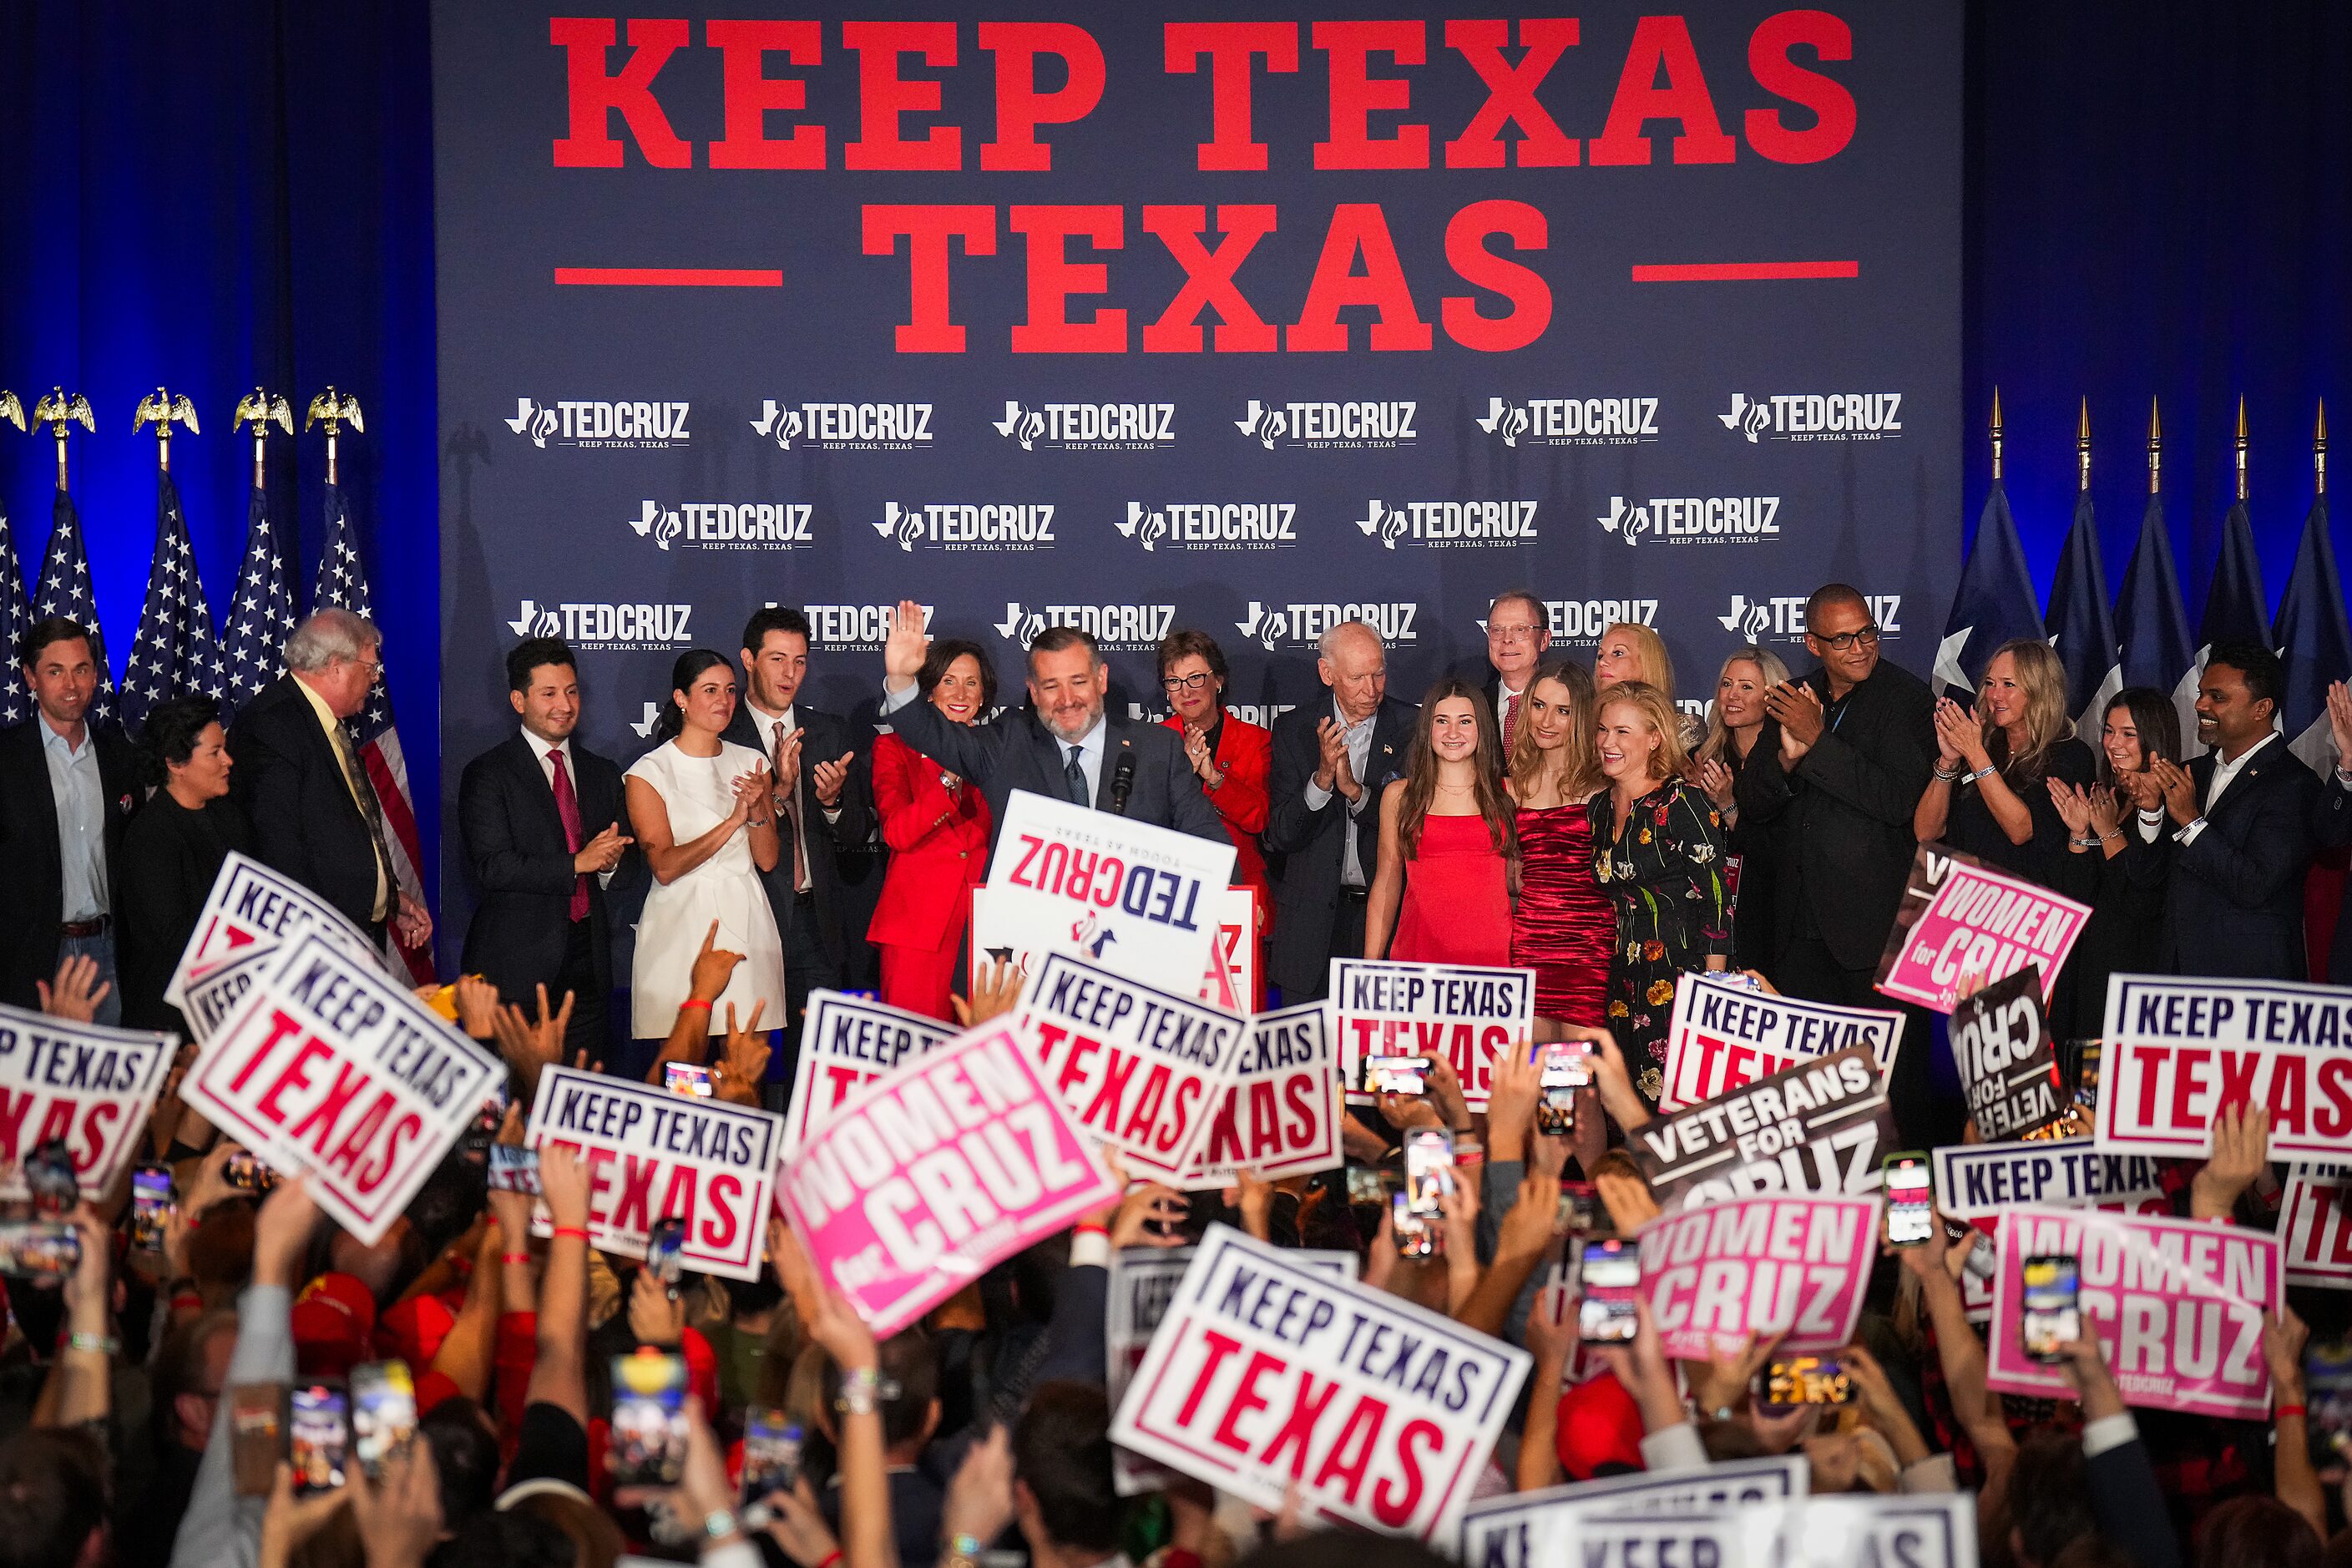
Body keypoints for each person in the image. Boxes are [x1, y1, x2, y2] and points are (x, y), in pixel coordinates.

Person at [1732, 584, 1937, 1134]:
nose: (1860, 647)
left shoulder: (1906, 700)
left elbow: (1896, 802)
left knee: (1887, 1097)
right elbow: (1751, 801)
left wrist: (1816, 742)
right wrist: (1786, 756)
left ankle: (1906, 1220)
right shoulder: (1792, 696)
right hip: (1798, 932)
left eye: (1866, 632)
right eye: (1842, 638)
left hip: (1874, 937)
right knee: (1811, 1100)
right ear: (1812, 644)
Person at [877, 600, 1223, 844]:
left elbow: (1205, 834)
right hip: (1028, 941)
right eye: (1051, 686)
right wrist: (901, 679)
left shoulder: (1158, 748)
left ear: (1101, 679)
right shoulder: (1007, 741)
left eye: (1078, 681)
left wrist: (1231, 903)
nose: (1067, 699)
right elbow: (929, 733)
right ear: (1033, 691)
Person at [724, 608, 877, 1093]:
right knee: (746, 1073)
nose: (790, 674)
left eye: (801, 661)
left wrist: (832, 804)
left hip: (815, 922)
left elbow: (856, 835)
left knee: (817, 1073)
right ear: (748, 659)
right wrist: (778, 787)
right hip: (743, 922)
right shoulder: (719, 734)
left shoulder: (829, 732)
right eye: (777, 659)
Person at [458, 638, 634, 1060]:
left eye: (572, 691)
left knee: (579, 1101)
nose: (565, 704)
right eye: (549, 693)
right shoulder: (487, 774)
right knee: (516, 1102)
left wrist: (608, 865)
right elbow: (493, 867)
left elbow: (626, 861)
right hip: (516, 969)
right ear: (519, 700)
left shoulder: (602, 772)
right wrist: (578, 862)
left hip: (589, 969)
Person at [229, 608, 433, 951]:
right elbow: (278, 849)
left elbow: (343, 833)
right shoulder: (273, 726)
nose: (375, 678)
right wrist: (316, 943)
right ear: (336, 665)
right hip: (314, 944)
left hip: (348, 933)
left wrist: (388, 898)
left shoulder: (325, 722)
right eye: (370, 667)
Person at [624, 650, 784, 1039]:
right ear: (681, 699)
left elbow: (766, 859)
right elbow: (664, 866)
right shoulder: (649, 772)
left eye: (730, 690)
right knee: (682, 1069)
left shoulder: (752, 761)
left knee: (746, 1065)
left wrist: (760, 806)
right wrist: (733, 821)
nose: (724, 701)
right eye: (710, 690)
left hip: (746, 918)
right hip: (679, 924)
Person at [1262, 620, 1418, 1002]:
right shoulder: (1293, 729)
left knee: (1379, 1057)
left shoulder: (1413, 727)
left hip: (1386, 921)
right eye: (1357, 677)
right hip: (1309, 930)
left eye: (1379, 673)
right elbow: (1279, 835)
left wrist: (1355, 792)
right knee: (1310, 1058)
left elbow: (1414, 828)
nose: (1372, 689)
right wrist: (1321, 782)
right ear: (1327, 673)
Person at [2144, 640, 2317, 979]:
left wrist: (2192, 823)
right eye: (2201, 693)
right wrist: (2151, 813)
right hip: (2176, 978)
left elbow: (2255, 885)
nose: (2200, 704)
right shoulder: (2191, 772)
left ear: (2262, 708)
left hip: (2247, 987)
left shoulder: (2295, 784)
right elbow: (2156, 877)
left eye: (2217, 697)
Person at [1591, 681, 1729, 1105]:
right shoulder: (1598, 807)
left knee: (1679, 1108)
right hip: (1622, 978)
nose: (1608, 743)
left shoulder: (1682, 803)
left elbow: (1717, 902)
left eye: (1623, 732)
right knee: (1623, 1105)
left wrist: (1715, 990)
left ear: (1655, 739)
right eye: (1603, 730)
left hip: (1682, 977)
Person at [0, 617, 137, 1020]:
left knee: (111, 1080)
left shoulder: (121, 758)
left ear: (95, 675)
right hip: (33, 960)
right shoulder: (6, 760)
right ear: (30, 678)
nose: (71, 685)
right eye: (55, 672)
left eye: (81, 669)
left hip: (110, 952)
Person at [867, 639, 994, 1020]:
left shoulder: (1001, 749)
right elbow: (897, 833)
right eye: (948, 681)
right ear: (928, 691)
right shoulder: (893, 749)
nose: (960, 693)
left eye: (971, 683)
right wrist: (947, 781)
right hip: (919, 932)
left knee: (984, 1061)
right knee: (912, 1057)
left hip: (987, 932)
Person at [119, 694, 253, 1034]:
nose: (229, 761)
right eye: (215, 753)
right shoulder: (149, 836)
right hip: (173, 1023)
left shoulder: (230, 818)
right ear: (176, 763)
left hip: (226, 1012)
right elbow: (170, 938)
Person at [2048, 688, 2180, 1036]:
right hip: (2090, 964)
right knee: (2083, 1085)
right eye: (2108, 730)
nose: (2113, 743)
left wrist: (2107, 832)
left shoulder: (2175, 802)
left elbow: (2141, 899)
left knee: (2115, 1084)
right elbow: (2078, 894)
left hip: (2134, 976)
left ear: (2155, 737)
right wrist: (2080, 833)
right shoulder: (2110, 796)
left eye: (2129, 734)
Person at [1913, 638, 2095, 887]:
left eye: (2008, 684)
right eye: (1990, 683)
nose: (1994, 695)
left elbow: (2021, 830)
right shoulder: (1983, 745)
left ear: (2040, 690)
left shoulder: (2070, 755)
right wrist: (1949, 761)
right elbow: (1926, 832)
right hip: (1965, 903)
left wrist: (1975, 755)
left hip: (2026, 908)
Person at [1364, 679, 1516, 966]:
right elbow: (1387, 882)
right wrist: (1369, 965)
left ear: (1481, 727)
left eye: (1465, 721)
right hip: (1419, 959)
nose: (1453, 732)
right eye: (1442, 721)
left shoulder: (1510, 794)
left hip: (1493, 962)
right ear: (1428, 729)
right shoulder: (1400, 797)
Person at [1157, 629, 1272, 999]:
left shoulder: (1256, 741)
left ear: (1218, 681)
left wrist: (1211, 776)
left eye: (1196, 678)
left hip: (1239, 900)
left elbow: (1259, 817)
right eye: (1174, 681)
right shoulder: (1153, 743)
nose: (1186, 691)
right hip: (1171, 900)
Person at [1504, 660, 1611, 1034]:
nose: (1546, 721)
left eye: (1562, 711)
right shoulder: (1513, 787)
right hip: (1531, 940)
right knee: (1533, 1075)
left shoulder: (1605, 789)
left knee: (1582, 1077)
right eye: (1539, 705)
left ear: (1580, 717)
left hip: (1589, 943)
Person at [1692, 645, 1791, 972]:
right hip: (1714, 916)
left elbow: (1780, 852)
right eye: (1726, 684)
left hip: (1772, 916)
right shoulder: (1706, 757)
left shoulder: (1787, 759)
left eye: (1746, 687)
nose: (1732, 695)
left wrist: (1728, 806)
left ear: (1772, 696)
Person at [1593, 620, 1702, 748]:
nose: (1603, 662)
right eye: (1600, 655)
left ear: (1647, 663)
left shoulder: (1684, 732)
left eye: (1618, 653)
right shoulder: (1583, 727)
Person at [1482, 590, 1553, 755]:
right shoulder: (1475, 705)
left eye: (1520, 630)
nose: (1507, 639)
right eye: (1497, 630)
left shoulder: (1570, 703)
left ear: (1544, 640)